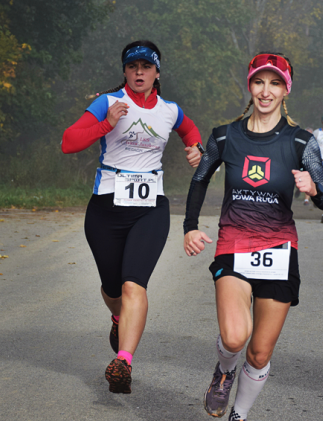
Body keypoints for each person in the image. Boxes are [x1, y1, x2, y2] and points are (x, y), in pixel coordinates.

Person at [183, 53, 323, 421]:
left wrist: (315, 188)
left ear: (286, 90)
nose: (265, 91)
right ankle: (223, 371)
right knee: (234, 338)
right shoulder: (225, 135)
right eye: (259, 82)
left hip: (280, 250)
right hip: (234, 244)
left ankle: (240, 419)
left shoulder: (302, 141)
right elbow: (200, 179)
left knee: (261, 351)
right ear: (250, 87)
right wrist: (191, 226)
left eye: (275, 83)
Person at [62, 40, 202, 394]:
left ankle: (123, 361)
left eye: (146, 66)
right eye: (132, 67)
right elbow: (69, 141)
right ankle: (116, 317)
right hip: (105, 209)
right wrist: (105, 125)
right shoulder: (107, 103)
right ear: (125, 72)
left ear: (157, 73)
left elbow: (190, 131)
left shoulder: (170, 110)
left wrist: (196, 150)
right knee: (113, 291)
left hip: (150, 209)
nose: (139, 72)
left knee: (133, 285)